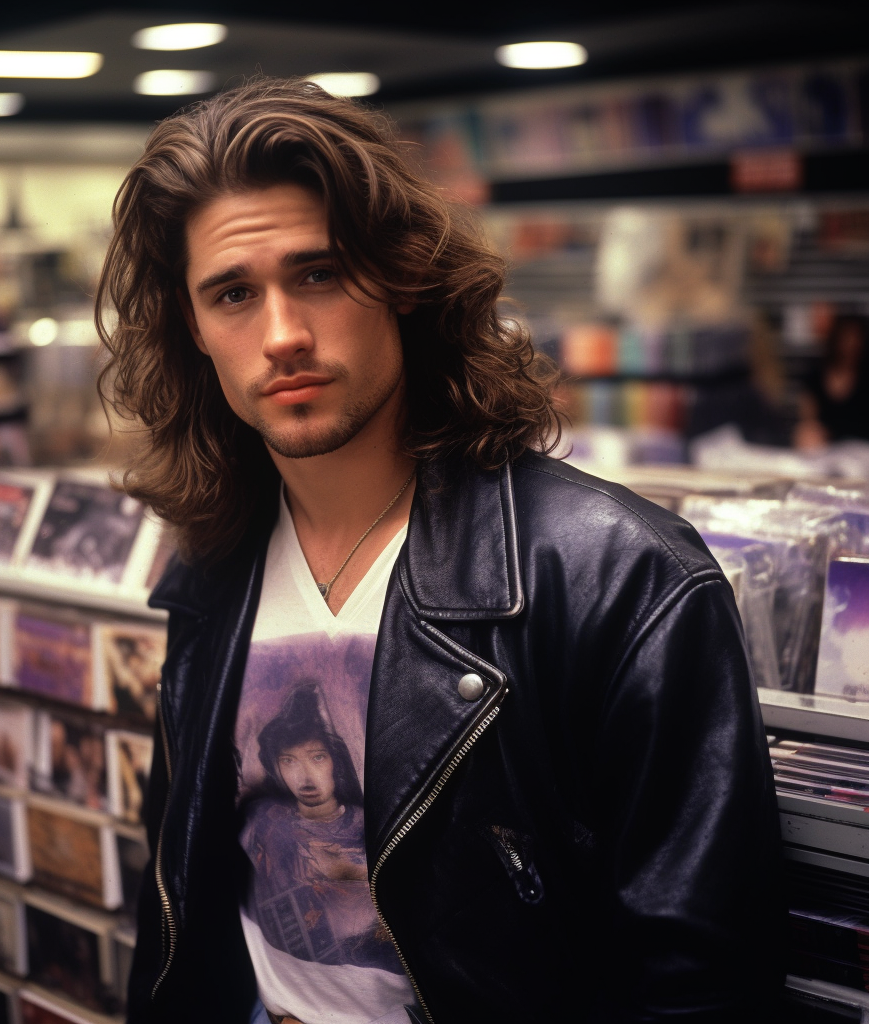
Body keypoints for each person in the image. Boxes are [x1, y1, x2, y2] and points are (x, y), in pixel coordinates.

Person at [97, 78, 783, 1024]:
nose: (283, 335)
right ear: (193, 329)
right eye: (233, 294)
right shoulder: (211, 569)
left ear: (403, 278)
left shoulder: (619, 578)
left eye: (320, 274)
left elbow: (701, 982)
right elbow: (178, 900)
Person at [794, 313, 869, 449]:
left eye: (856, 338)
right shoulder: (816, 374)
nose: (851, 344)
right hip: (825, 450)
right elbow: (808, 419)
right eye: (846, 337)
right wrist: (809, 432)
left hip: (862, 452)